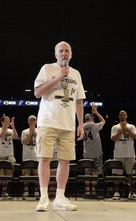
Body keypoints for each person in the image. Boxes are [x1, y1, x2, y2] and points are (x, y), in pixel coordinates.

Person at [34, 41, 86, 211]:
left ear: (71, 55)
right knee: (44, 158)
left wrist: (81, 124)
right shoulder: (47, 68)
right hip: (48, 120)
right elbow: (37, 92)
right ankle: (43, 197)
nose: (64, 53)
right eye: (61, 51)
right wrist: (58, 78)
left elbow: (78, 101)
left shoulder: (76, 74)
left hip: (68, 124)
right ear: (55, 54)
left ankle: (60, 197)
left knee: (65, 161)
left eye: (67, 51)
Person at [111, 110, 136, 200]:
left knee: (130, 174)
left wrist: (127, 129)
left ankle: (131, 192)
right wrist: (121, 130)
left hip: (130, 154)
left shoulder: (132, 126)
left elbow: (135, 137)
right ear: (119, 116)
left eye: (124, 115)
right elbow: (113, 138)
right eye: (121, 115)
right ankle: (116, 192)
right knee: (117, 175)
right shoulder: (115, 127)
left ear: (127, 116)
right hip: (118, 154)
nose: (122, 116)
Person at [83, 104, 105, 198]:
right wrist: (96, 112)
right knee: (95, 173)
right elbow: (103, 121)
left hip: (87, 153)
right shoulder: (95, 125)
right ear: (91, 118)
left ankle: (87, 192)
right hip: (96, 153)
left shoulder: (82, 126)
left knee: (87, 173)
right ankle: (94, 192)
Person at [0, 115, 18, 198]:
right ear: (2, 122)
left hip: (9, 155)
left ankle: (4, 192)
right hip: (0, 155)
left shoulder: (10, 130)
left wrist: (13, 126)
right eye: (6, 121)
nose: (8, 122)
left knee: (7, 176)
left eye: (9, 121)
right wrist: (5, 126)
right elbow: (2, 135)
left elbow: (16, 136)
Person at [21, 114, 39, 198]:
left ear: (36, 121)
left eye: (33, 120)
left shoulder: (39, 130)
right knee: (26, 176)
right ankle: (26, 191)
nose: (32, 122)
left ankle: (36, 191)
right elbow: (24, 142)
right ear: (28, 121)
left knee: (37, 176)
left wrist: (33, 132)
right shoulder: (24, 132)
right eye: (31, 120)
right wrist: (30, 134)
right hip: (26, 157)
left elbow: (39, 141)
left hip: (36, 157)